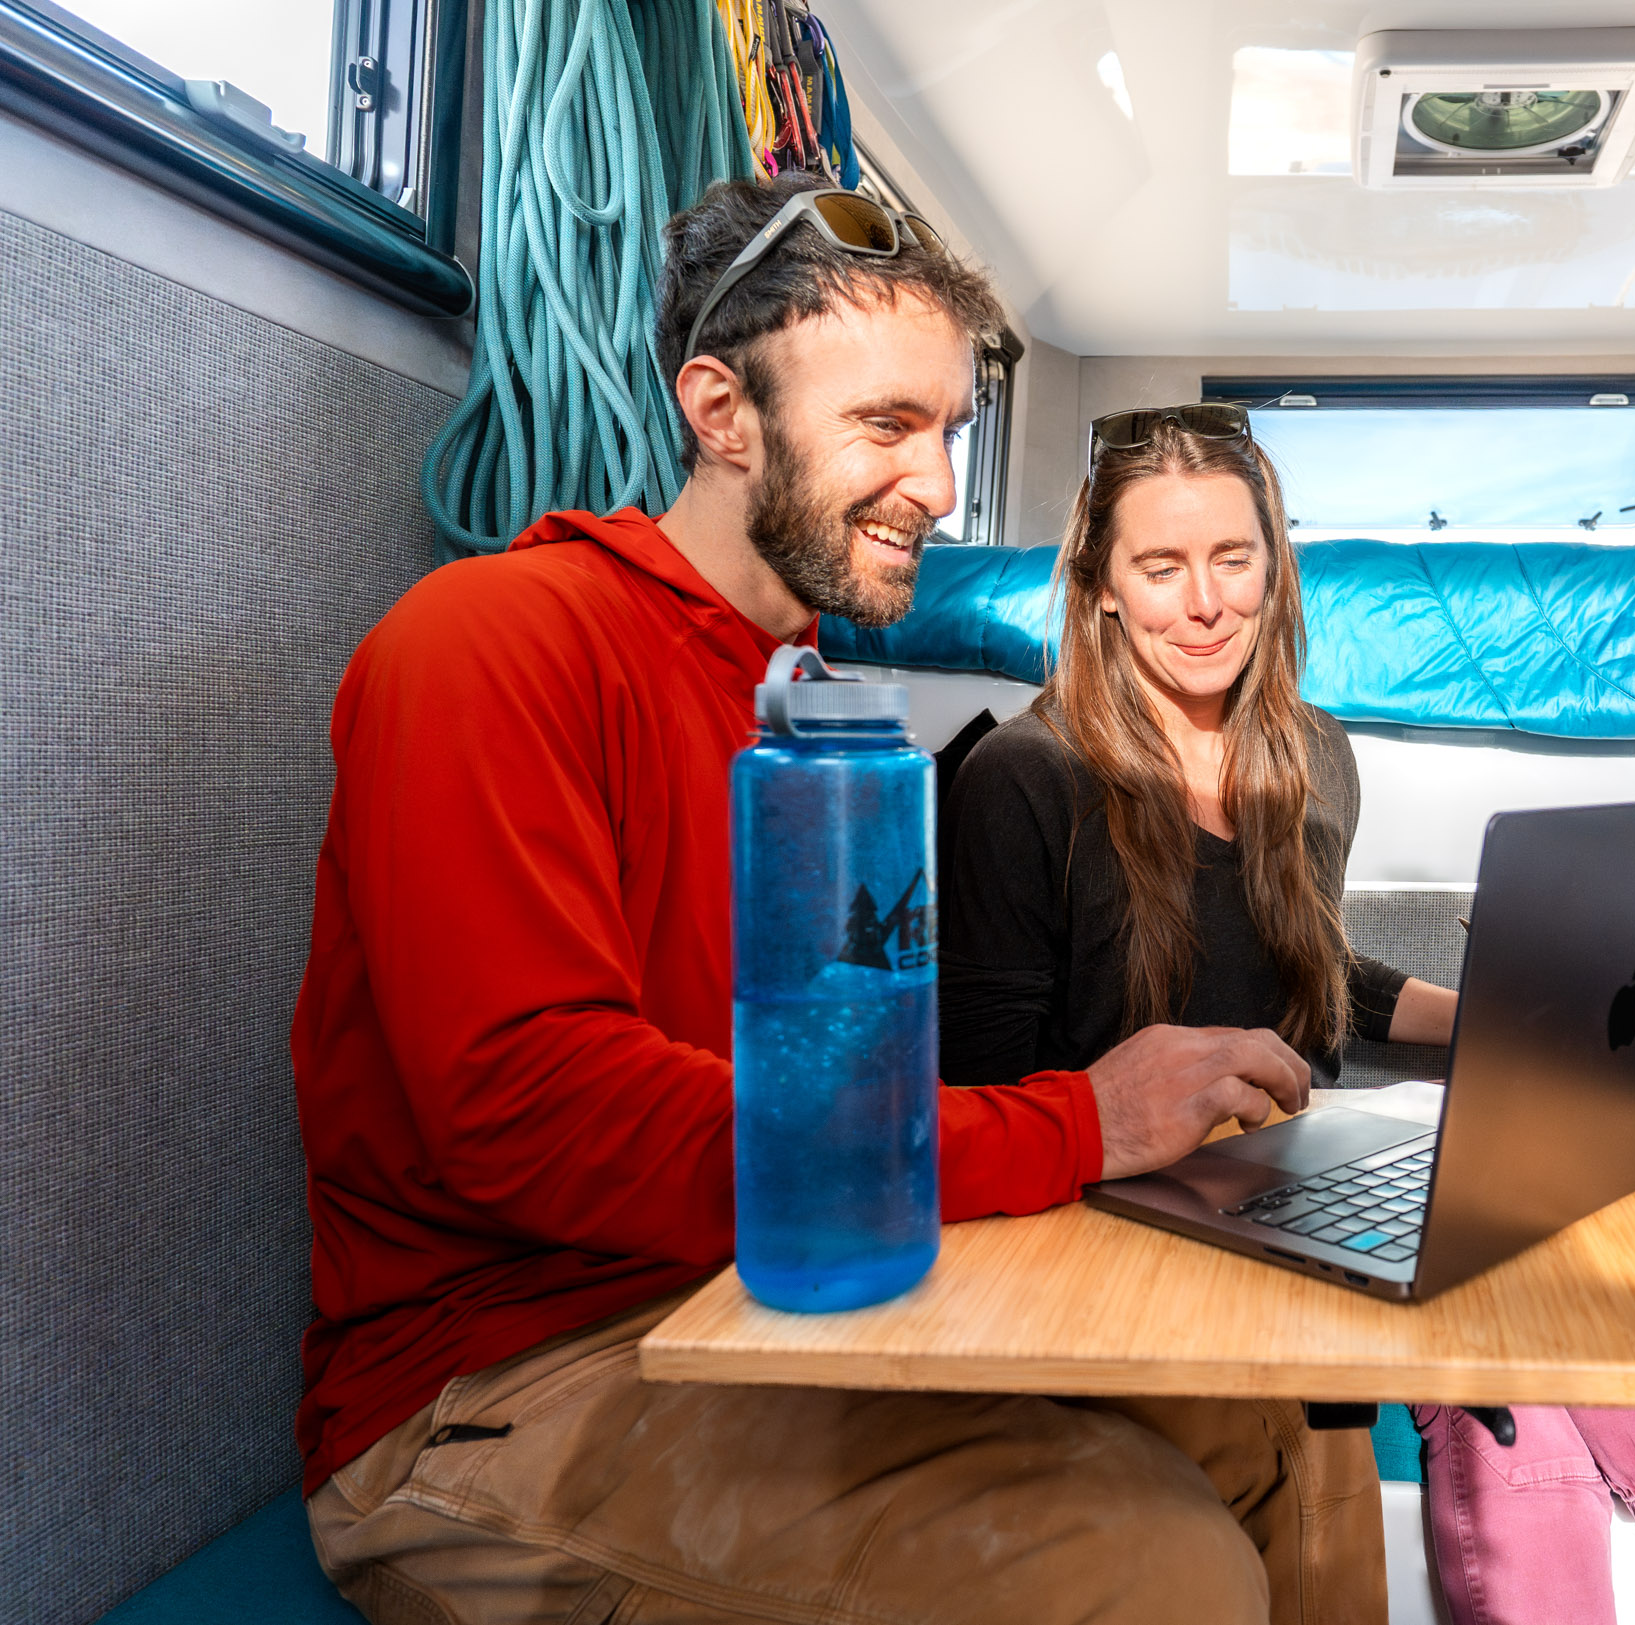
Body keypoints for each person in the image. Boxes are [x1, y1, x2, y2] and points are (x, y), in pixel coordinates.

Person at [289, 176, 1383, 1625]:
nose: (939, 486)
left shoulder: (812, 715)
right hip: (504, 1384)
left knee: (1278, 1410)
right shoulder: (491, 643)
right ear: (721, 411)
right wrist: (1080, 1120)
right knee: (1151, 1570)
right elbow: (534, 1114)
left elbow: (864, 1068)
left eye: (949, 431)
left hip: (774, 1293)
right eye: (886, 424)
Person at [939, 404, 1635, 1625]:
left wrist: (1514, 1015)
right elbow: (977, 1091)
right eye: (1161, 566)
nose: (1206, 603)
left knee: (1536, 1282)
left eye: (1233, 558)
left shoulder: (1312, 754)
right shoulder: (1024, 778)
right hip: (1116, 1224)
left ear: (1274, 567)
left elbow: (1308, 972)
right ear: (1101, 587)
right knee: (1523, 1324)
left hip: (1282, 1181)